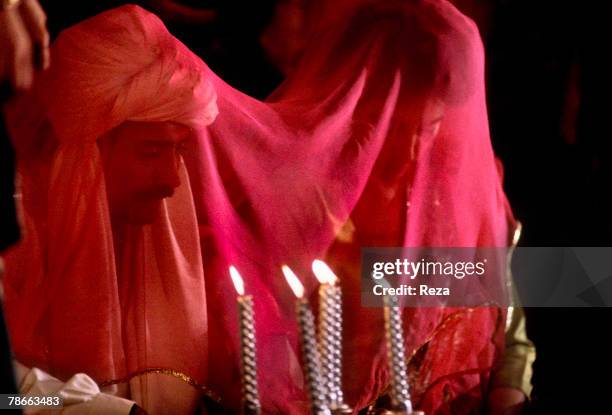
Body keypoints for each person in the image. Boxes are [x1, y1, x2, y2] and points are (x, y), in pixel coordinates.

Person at [186, 0, 533, 413]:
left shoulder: (456, 188)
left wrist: (509, 393)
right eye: (389, 128)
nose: (409, 151)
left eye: (429, 129)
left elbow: (504, 327)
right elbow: (255, 328)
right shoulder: (303, 196)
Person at [2, 5, 217, 414]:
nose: (173, 180)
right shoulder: (14, 247)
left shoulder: (187, 260)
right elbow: (3, 396)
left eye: (179, 151)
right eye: (153, 151)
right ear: (87, 154)